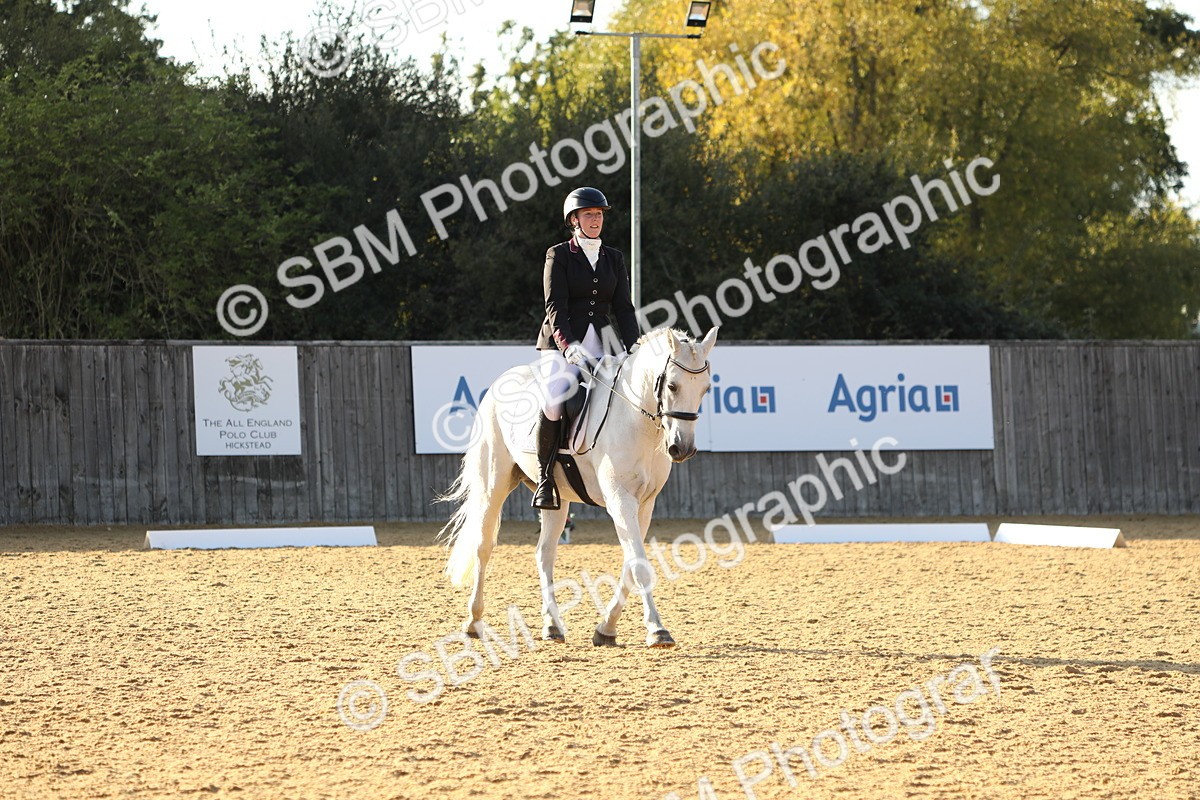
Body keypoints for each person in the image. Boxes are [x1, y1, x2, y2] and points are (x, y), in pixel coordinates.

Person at [531, 187, 640, 509]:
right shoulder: (559, 255)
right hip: (561, 340)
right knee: (553, 400)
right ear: (574, 220)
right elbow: (555, 306)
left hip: (603, 339)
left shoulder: (614, 258)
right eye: (589, 215)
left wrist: (634, 347)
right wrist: (567, 347)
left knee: (629, 395)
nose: (595, 220)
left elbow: (623, 308)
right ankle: (545, 478)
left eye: (599, 215)